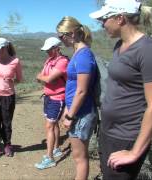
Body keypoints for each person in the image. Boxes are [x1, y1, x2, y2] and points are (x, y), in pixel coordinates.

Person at [89, 0, 152, 179]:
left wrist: (134, 152)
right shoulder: (119, 46)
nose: (101, 24)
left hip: (126, 136)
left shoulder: (148, 50)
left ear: (120, 18)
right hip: (108, 130)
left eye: (104, 19)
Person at [56, 16, 98, 180]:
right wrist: (67, 107)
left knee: (80, 157)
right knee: (78, 156)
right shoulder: (78, 54)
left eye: (61, 36)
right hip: (78, 110)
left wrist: (70, 115)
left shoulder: (83, 56)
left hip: (82, 113)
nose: (61, 40)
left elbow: (81, 90)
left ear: (72, 33)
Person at [34, 37, 68, 170]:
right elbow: (44, 78)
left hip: (57, 98)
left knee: (49, 126)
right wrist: (44, 78)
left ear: (57, 48)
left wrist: (43, 78)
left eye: (49, 49)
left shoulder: (62, 61)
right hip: (48, 97)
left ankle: (50, 158)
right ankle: (56, 149)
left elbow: (47, 78)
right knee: (53, 125)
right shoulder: (49, 60)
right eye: (46, 50)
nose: (47, 52)